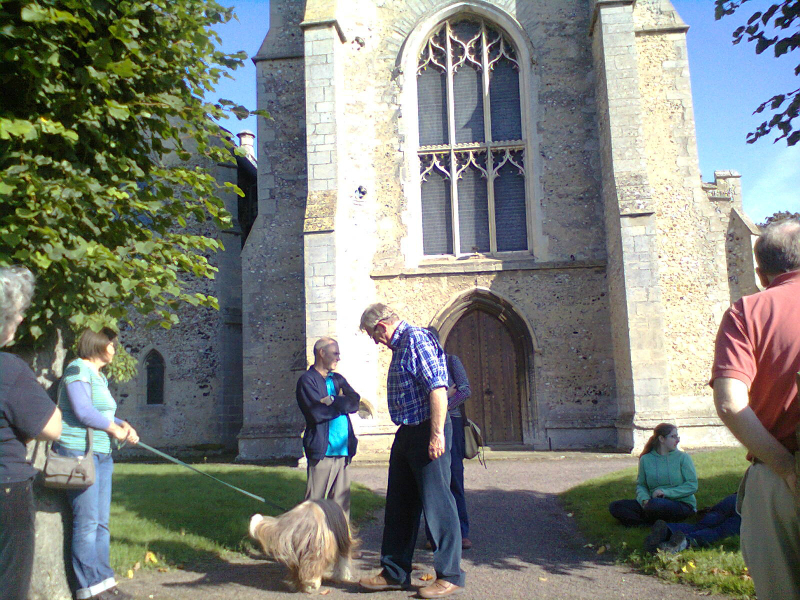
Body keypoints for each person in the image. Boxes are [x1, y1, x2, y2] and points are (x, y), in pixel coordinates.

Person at [711, 218, 800, 599]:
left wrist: (785, 468)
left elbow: (731, 403)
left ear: (761, 273)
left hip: (781, 481)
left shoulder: (747, 313)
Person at [358, 304, 465, 599]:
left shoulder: (416, 339)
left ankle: (450, 575)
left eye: (371, 334)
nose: (373, 340)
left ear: (381, 326)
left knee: (438, 504)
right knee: (399, 505)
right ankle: (394, 572)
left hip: (427, 430)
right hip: (407, 431)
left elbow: (438, 389)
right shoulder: (401, 345)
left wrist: (436, 434)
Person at [55, 327, 139, 600]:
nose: (115, 349)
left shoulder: (98, 377)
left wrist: (123, 425)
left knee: (102, 523)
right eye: (112, 344)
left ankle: (104, 583)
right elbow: (82, 411)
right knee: (87, 523)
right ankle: (88, 589)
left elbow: (102, 413)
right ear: (100, 345)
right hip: (79, 454)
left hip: (102, 455)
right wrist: (112, 428)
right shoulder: (77, 370)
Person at [0, 266, 63, 600]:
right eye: (16, 313)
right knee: (9, 583)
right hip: (5, 490)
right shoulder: (9, 369)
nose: (21, 320)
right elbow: (52, 427)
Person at [295, 336, 360, 519]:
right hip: (322, 451)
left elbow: (355, 402)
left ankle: (339, 545)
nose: (338, 358)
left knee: (341, 508)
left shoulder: (338, 379)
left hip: (343, 450)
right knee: (313, 506)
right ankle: (309, 545)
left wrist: (333, 401)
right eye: (335, 354)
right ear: (322, 353)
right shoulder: (307, 381)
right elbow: (317, 413)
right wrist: (341, 405)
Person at [424, 327, 472, 550]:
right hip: (428, 427)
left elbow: (464, 390)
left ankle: (462, 532)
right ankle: (433, 535)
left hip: (451, 425)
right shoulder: (422, 365)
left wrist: (442, 407)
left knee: (454, 479)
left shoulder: (451, 361)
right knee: (431, 482)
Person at [609, 423, 697, 527]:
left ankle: (645, 520)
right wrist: (644, 500)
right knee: (616, 506)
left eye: (677, 436)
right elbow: (641, 485)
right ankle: (651, 523)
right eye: (673, 437)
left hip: (680, 503)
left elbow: (692, 485)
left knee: (656, 505)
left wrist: (665, 492)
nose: (677, 440)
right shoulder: (645, 459)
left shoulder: (683, 458)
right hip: (651, 503)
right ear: (661, 439)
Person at [644, 493, 740, 553]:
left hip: (735, 498)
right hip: (749, 507)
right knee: (719, 532)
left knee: (700, 526)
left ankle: (668, 530)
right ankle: (684, 542)